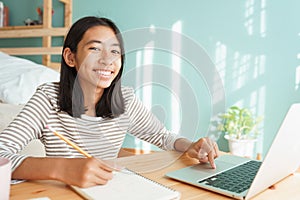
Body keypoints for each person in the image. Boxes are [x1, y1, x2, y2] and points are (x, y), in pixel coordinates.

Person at [0, 16, 219, 188]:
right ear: (70, 57)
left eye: (115, 51)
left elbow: (161, 136)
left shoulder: (125, 99)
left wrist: (190, 145)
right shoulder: (47, 99)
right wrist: (61, 168)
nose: (108, 60)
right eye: (94, 49)